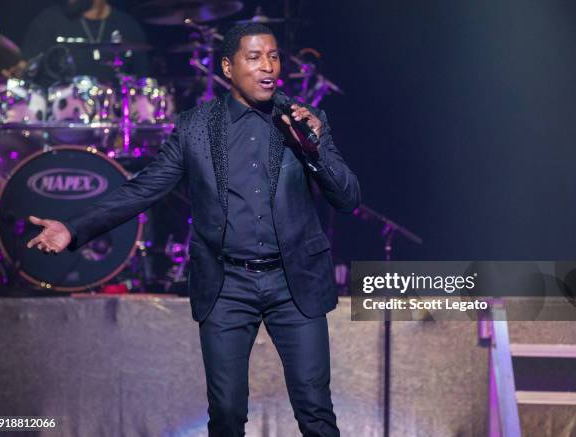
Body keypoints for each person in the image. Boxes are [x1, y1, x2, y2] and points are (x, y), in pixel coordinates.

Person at [26, 23, 360, 436]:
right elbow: (143, 190)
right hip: (227, 284)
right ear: (227, 66)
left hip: (295, 284)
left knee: (315, 410)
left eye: (273, 57)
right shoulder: (196, 128)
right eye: (254, 58)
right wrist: (74, 229)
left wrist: (313, 147)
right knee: (225, 413)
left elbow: (348, 199)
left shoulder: (303, 120)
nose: (268, 67)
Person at [20, 0, 149, 84]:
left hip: (113, 115)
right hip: (58, 115)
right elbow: (25, 68)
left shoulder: (127, 25)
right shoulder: (48, 20)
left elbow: (143, 80)